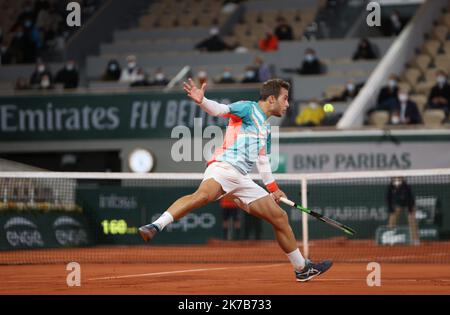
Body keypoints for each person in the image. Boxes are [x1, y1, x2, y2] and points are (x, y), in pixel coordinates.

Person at [138, 78, 333, 282]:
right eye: (285, 99)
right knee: (202, 196)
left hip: (242, 179)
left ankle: (301, 268)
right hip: (224, 167)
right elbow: (219, 110)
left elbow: (263, 160)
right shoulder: (247, 109)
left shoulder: (266, 129)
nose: (287, 104)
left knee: (280, 217)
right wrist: (202, 101)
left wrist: (274, 188)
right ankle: (156, 226)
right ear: (272, 99)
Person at [387, 177, 419, 245]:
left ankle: (415, 240)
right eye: (395, 178)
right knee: (392, 216)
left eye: (399, 178)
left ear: (402, 179)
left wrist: (410, 210)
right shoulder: (391, 187)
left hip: (409, 203)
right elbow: (388, 198)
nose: (397, 180)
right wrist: (390, 209)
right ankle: (390, 237)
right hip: (398, 203)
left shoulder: (406, 187)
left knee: (411, 219)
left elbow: (409, 199)